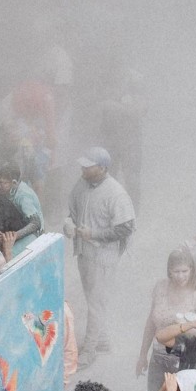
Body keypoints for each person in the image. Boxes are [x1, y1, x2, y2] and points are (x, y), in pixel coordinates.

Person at [62, 147, 136, 367]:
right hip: (84, 253)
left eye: (88, 165)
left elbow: (125, 228)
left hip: (103, 256)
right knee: (92, 298)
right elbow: (72, 213)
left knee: (96, 301)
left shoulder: (116, 193)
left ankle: (90, 349)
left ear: (102, 168)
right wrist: (68, 224)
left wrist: (94, 234)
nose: (83, 168)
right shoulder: (81, 185)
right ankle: (102, 340)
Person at [137, 248, 196, 391]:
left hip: (186, 361)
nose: (181, 276)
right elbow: (151, 323)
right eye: (176, 272)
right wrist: (142, 355)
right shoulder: (161, 287)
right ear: (169, 271)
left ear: (191, 270)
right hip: (158, 357)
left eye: (185, 271)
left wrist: (184, 326)